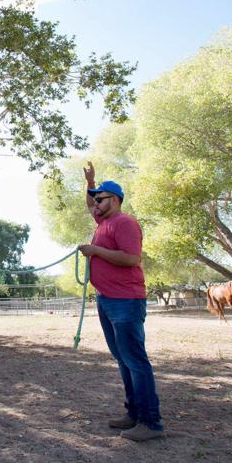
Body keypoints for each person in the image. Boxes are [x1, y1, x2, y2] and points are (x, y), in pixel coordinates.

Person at [78, 161, 164, 442]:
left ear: (114, 201)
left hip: (125, 301)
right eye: (95, 198)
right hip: (108, 300)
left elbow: (132, 258)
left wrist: (95, 251)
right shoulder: (104, 222)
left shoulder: (125, 223)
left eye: (99, 199)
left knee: (135, 360)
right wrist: (91, 183)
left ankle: (151, 423)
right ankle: (133, 414)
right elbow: (90, 203)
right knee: (123, 360)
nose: (94, 204)